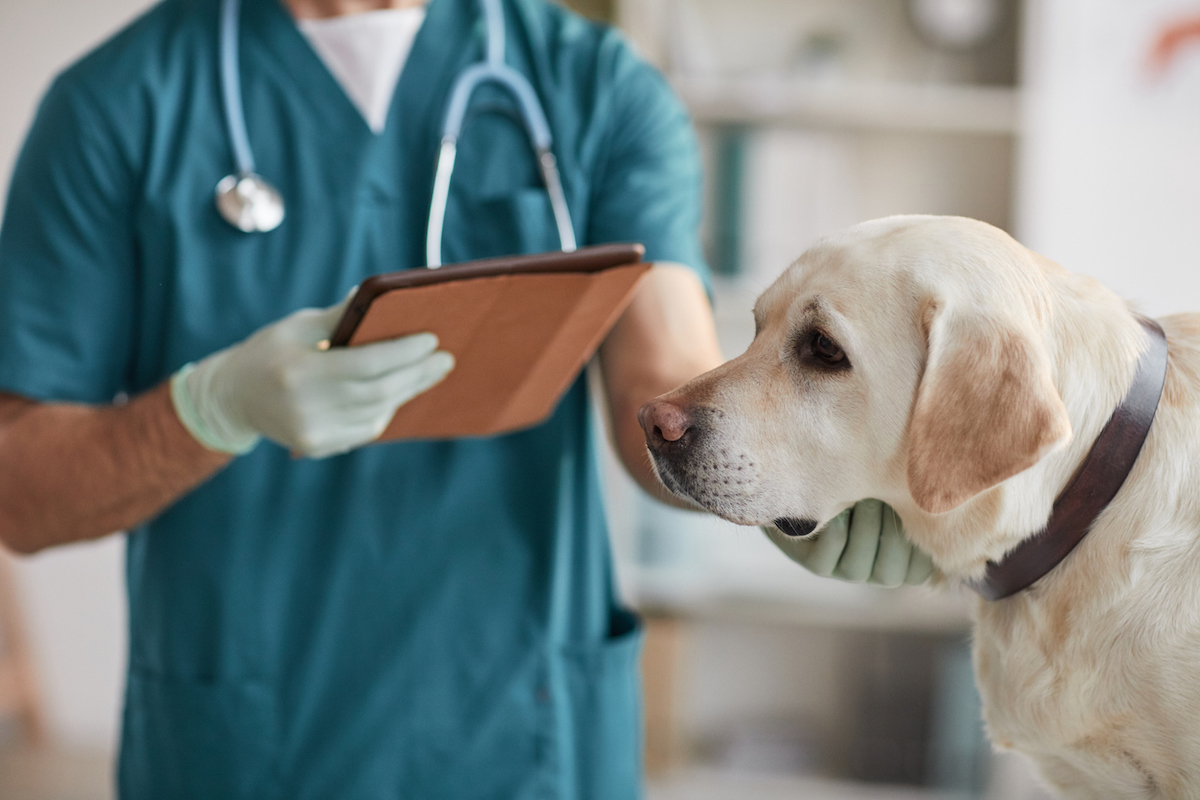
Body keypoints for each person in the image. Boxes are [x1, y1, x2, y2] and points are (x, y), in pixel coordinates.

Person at [0, 0, 919, 796]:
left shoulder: (594, 90)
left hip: (520, 742)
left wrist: (769, 475)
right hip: (249, 747)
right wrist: (209, 409)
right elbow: (19, 490)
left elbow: (661, 383)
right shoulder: (114, 109)